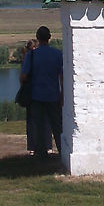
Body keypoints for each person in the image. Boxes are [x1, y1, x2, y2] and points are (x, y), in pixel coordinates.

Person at [19, 26, 63, 159]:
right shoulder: (57, 54)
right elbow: (62, 76)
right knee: (57, 126)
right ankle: (62, 151)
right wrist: (62, 95)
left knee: (38, 126)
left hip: (36, 96)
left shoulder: (32, 55)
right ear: (49, 38)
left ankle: (41, 155)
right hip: (53, 95)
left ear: (37, 38)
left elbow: (23, 76)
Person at [19, 39, 38, 155]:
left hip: (30, 92)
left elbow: (22, 78)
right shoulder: (30, 60)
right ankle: (36, 146)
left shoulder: (25, 60)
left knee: (32, 120)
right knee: (35, 120)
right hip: (34, 92)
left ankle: (34, 147)